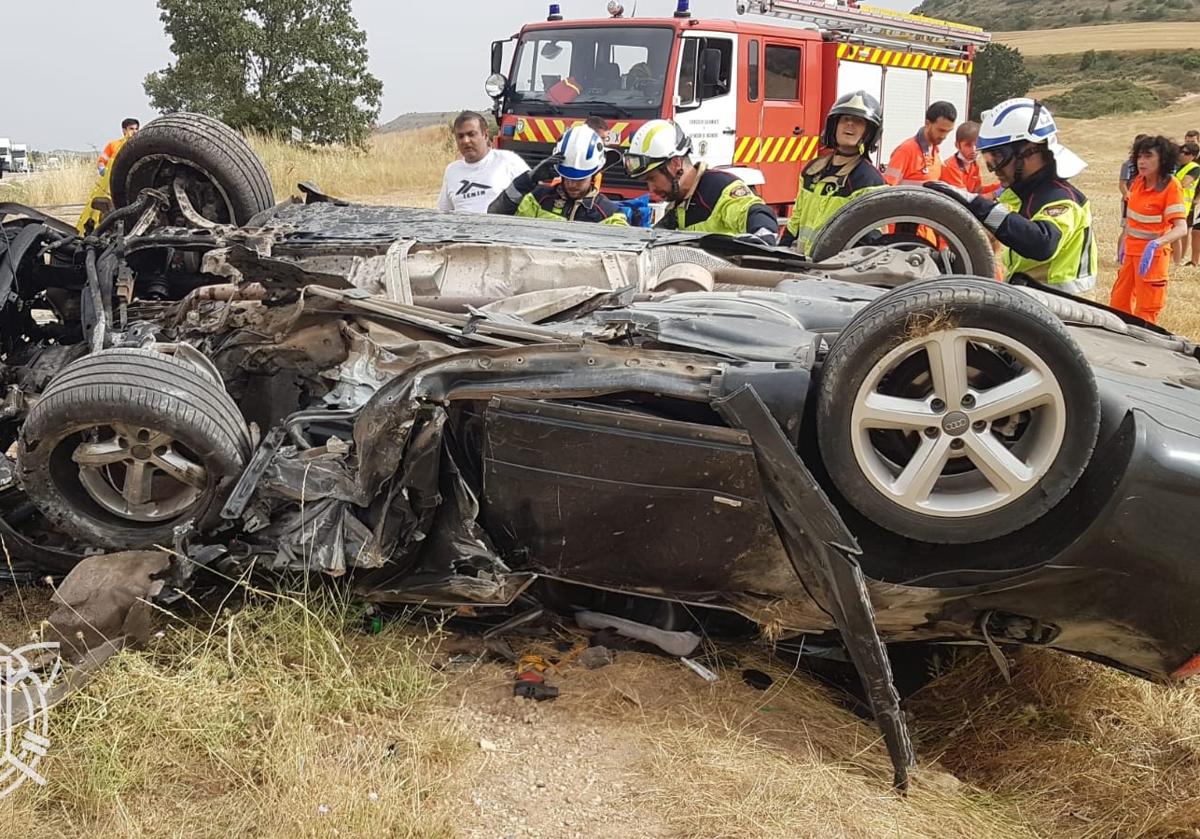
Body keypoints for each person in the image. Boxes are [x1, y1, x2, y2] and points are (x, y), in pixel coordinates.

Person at [925, 98, 1097, 295]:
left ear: (1030, 151)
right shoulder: (1019, 195)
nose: (994, 169)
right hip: (1033, 298)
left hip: (1068, 308)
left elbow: (1042, 243)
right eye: (989, 160)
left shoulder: (1062, 198)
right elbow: (992, 233)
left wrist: (978, 203)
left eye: (998, 158)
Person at [623, 119, 779, 244]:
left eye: (652, 178)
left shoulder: (718, 188)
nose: (651, 189)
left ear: (676, 163)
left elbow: (754, 211)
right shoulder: (678, 205)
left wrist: (762, 235)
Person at [780, 90, 884, 255]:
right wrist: (780, 251)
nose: (849, 124)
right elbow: (795, 221)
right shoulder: (812, 170)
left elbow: (870, 237)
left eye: (858, 121)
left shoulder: (869, 180)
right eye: (845, 119)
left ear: (869, 132)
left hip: (837, 271)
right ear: (833, 126)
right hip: (803, 266)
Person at [1110, 135, 1188, 323]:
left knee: (1146, 310)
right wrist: (1125, 242)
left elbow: (1181, 228)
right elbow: (1132, 218)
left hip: (1153, 257)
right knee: (1118, 304)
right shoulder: (1138, 182)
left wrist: (1156, 244)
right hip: (1131, 254)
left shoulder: (1171, 187)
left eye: (1148, 157)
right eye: (1139, 157)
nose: (1141, 162)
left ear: (1162, 159)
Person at [489, 125, 628, 225]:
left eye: (579, 178)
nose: (572, 184)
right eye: (567, 177)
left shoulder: (609, 214)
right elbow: (495, 217)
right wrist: (528, 180)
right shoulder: (537, 200)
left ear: (594, 172)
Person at [436, 111, 529, 214]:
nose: (466, 141)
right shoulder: (452, 171)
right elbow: (443, 213)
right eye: (460, 136)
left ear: (485, 135)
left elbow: (531, 202)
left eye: (471, 134)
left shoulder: (508, 161)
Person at [884, 101, 956, 185]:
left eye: (948, 131)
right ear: (927, 123)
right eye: (941, 130)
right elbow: (887, 189)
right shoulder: (905, 151)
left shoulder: (936, 153)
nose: (944, 136)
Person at [940, 121, 999, 196]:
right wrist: (994, 194)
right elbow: (965, 198)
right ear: (957, 145)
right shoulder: (951, 166)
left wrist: (999, 187)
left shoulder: (973, 164)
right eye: (968, 145)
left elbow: (977, 190)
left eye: (977, 144)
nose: (973, 149)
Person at [1174, 142, 1199, 265]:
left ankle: (1177, 261)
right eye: (1181, 151)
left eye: (1186, 153)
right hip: (1174, 202)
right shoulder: (1179, 166)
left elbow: (1184, 183)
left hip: (1182, 205)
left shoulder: (1195, 168)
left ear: (1193, 156)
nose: (1182, 155)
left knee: (1177, 234)